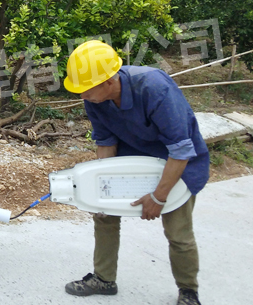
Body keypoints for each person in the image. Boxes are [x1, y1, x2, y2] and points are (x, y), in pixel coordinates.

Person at [62, 40, 209, 305]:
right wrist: (100, 190)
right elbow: (105, 142)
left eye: (85, 88)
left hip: (175, 160)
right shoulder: (95, 99)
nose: (81, 95)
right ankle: (104, 279)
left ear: (109, 81)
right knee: (103, 215)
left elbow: (180, 149)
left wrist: (159, 196)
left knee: (178, 232)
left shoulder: (155, 88)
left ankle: (188, 291)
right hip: (132, 156)